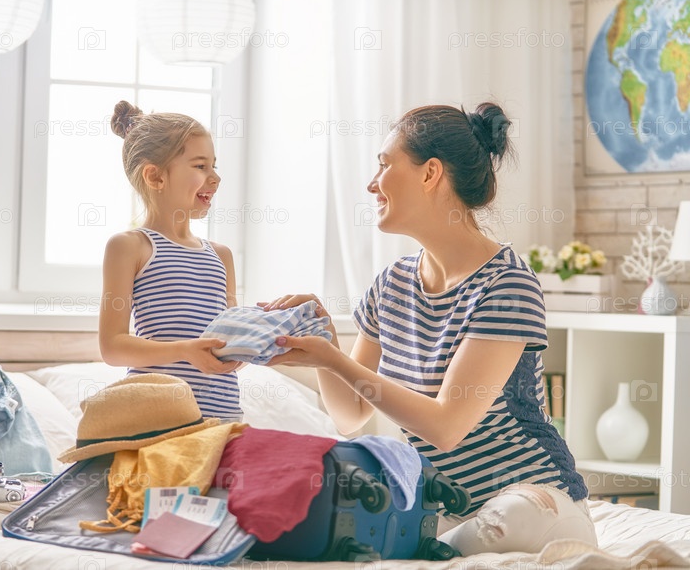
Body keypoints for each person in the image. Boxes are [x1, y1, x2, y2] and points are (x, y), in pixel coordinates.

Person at [260, 102, 597, 555]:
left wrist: (334, 358)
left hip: (539, 504)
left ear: (430, 173)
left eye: (384, 165)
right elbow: (349, 414)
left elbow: (446, 426)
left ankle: (427, 552)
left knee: (514, 516)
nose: (372, 183)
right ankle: (433, 550)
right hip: (454, 513)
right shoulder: (392, 283)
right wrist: (324, 340)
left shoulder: (507, 284)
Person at [99, 100, 241, 420]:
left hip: (223, 421)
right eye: (200, 166)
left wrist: (256, 341)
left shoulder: (221, 256)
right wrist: (184, 350)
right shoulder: (130, 247)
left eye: (214, 166)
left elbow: (232, 338)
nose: (215, 178)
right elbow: (113, 347)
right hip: (156, 421)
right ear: (155, 177)